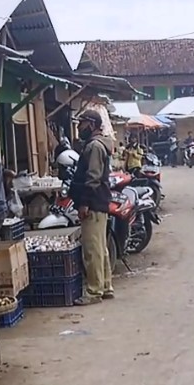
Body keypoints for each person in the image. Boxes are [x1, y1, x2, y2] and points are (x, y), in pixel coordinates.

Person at [69, 109, 114, 305]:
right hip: (99, 202)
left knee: (92, 249)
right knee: (100, 247)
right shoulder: (97, 144)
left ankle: (94, 291)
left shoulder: (95, 146)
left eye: (82, 123)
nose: (79, 128)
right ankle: (105, 286)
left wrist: (84, 202)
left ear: (92, 125)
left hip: (94, 203)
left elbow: (93, 177)